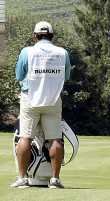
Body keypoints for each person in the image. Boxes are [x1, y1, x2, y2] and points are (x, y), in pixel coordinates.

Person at [12, 21, 72, 190]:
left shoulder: (27, 52)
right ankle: (55, 179)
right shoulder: (62, 53)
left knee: (25, 137)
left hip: (30, 99)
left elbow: (19, 75)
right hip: (53, 100)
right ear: (52, 36)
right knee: (55, 139)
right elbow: (67, 76)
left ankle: (22, 178)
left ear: (35, 36)